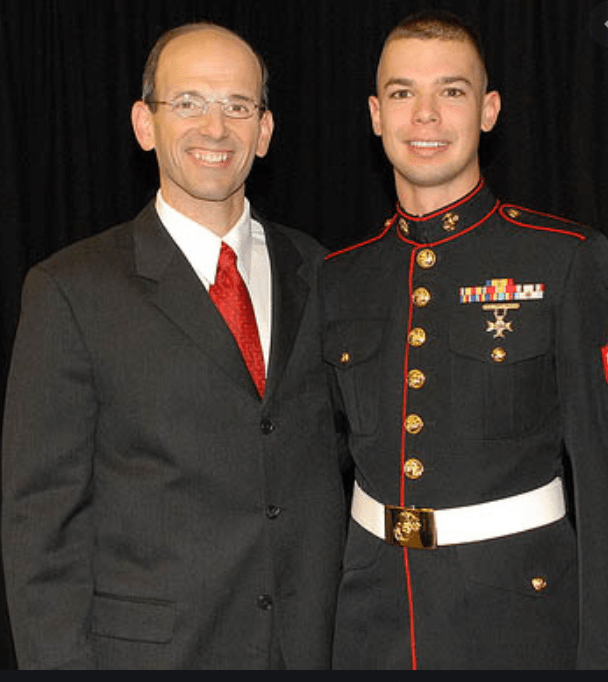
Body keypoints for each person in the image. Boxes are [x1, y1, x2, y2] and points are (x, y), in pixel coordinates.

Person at [1, 22, 346, 670]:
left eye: (238, 106)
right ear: (145, 123)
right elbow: (41, 523)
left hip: (309, 650)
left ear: (264, 131)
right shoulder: (71, 291)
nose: (215, 128)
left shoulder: (323, 273)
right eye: (188, 102)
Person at [322, 10, 608, 670]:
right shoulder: (340, 277)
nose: (425, 115)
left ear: (489, 109)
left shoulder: (564, 259)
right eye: (402, 92)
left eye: (451, 91)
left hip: (519, 621)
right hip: (371, 621)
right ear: (375, 114)